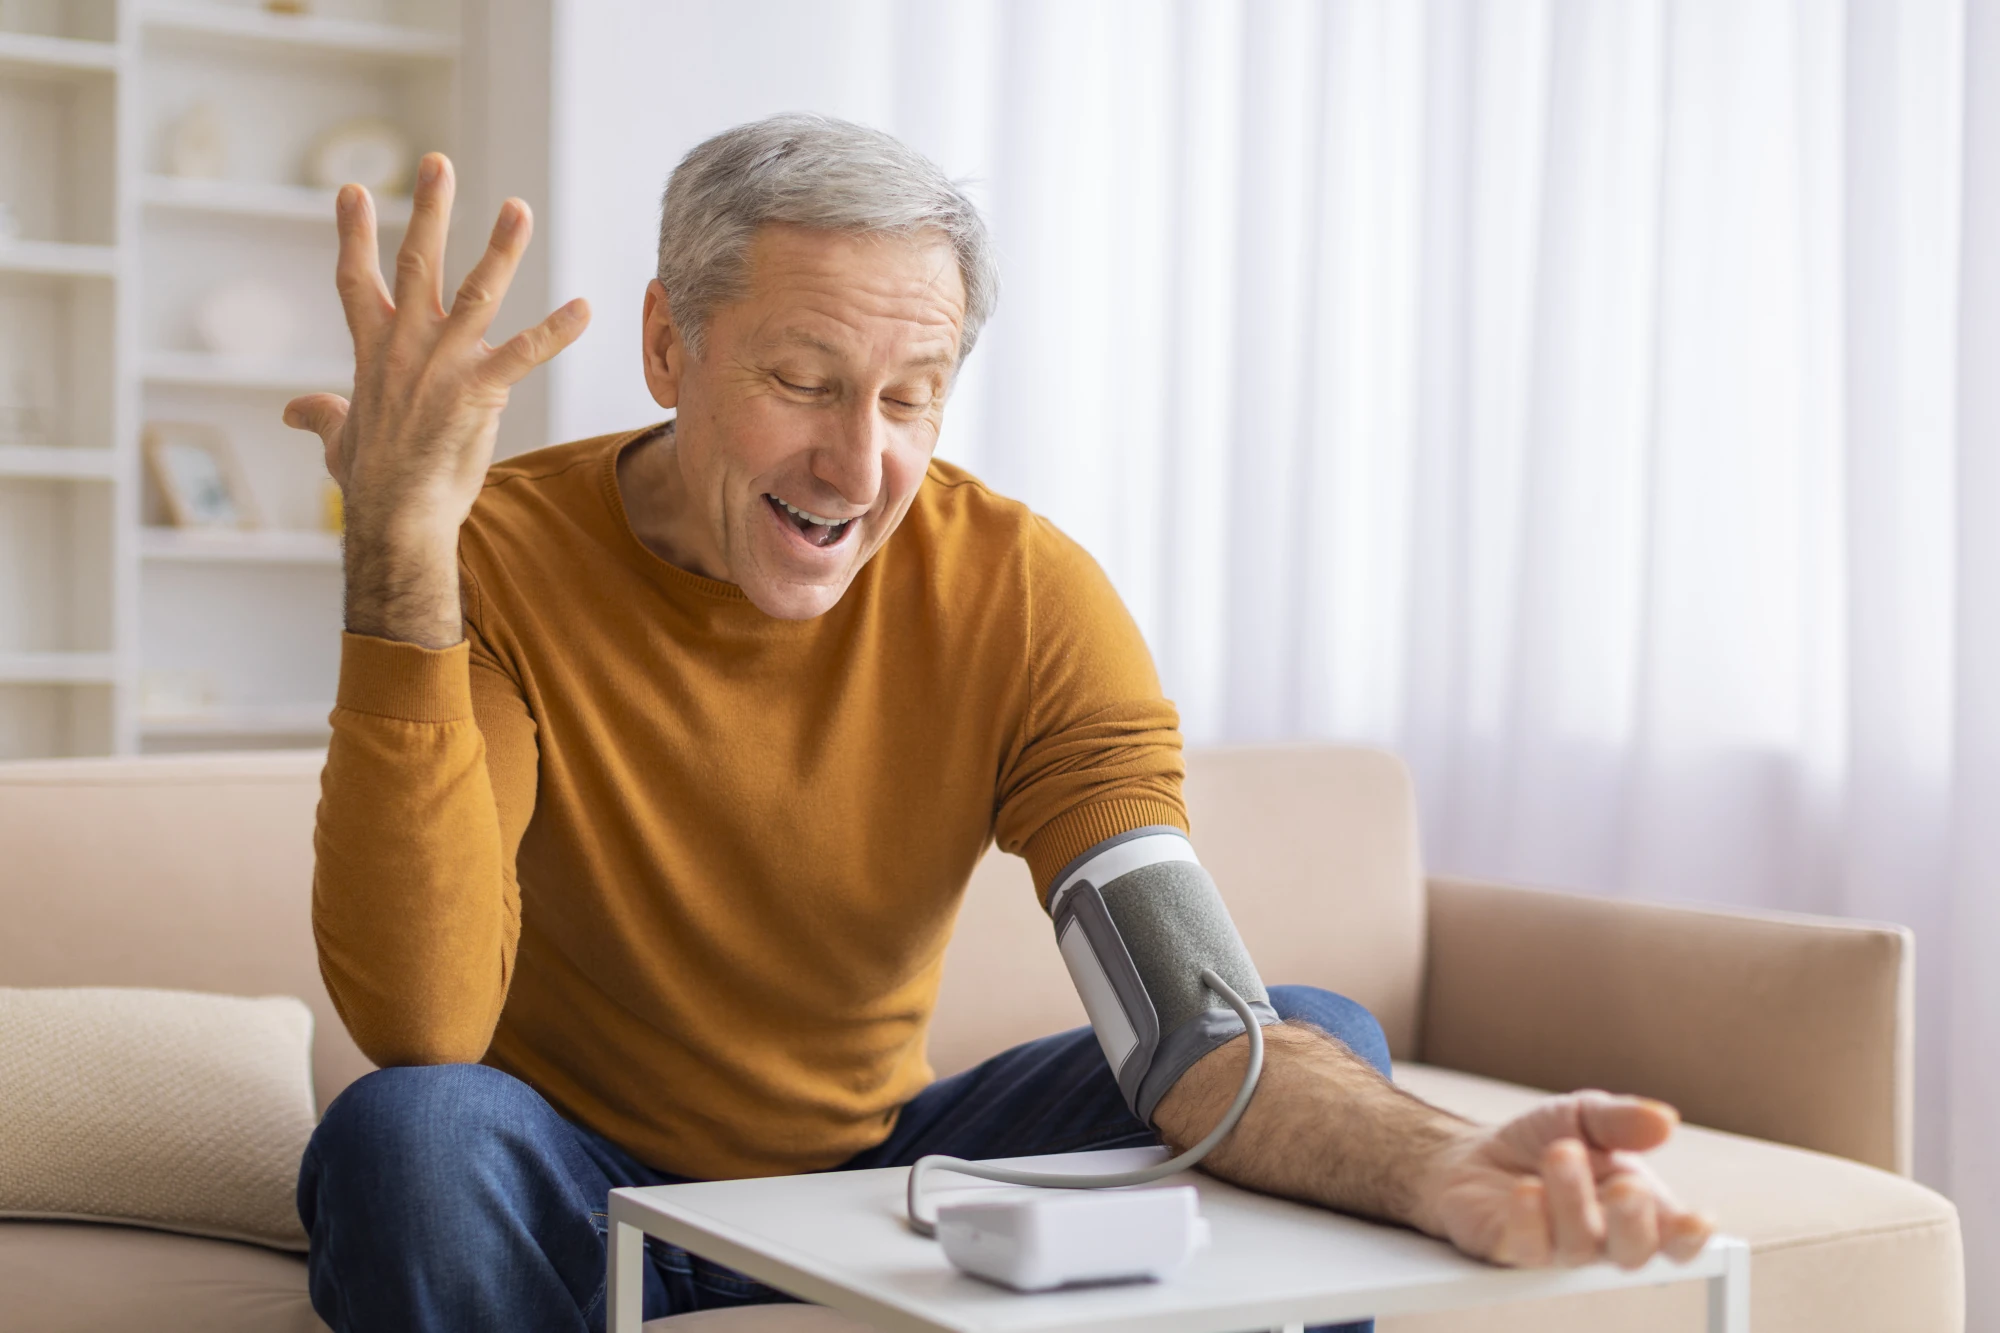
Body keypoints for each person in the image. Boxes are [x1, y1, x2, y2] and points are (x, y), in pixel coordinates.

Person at [286, 114, 1713, 1333]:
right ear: (671, 344)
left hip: (885, 1180)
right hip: (569, 1172)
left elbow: (1188, 1021)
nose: (861, 461)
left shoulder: (1021, 594)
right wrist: (399, 553)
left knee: (1310, 1028)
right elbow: (427, 1021)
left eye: (914, 397)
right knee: (411, 1133)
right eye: (804, 382)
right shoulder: (502, 555)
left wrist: (1440, 1168)